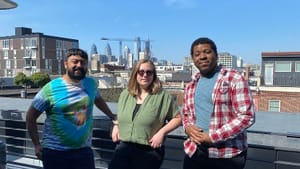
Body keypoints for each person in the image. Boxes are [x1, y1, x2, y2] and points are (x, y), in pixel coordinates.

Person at [26, 48, 116, 169]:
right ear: (65, 64)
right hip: (55, 153)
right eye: (75, 61)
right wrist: (36, 145)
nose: (79, 65)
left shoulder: (91, 84)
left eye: (83, 62)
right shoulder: (50, 88)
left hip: (83, 151)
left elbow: (98, 99)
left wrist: (112, 116)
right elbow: (30, 117)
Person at [182, 37, 255, 169]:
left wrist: (212, 137)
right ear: (193, 59)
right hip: (195, 151)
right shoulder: (191, 85)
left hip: (226, 156)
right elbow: (186, 114)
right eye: (197, 54)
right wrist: (187, 128)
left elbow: (246, 116)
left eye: (207, 52)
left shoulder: (234, 78)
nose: (202, 57)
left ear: (216, 55)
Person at [108, 59, 182, 169]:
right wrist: (116, 125)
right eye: (141, 72)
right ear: (135, 74)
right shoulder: (126, 94)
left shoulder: (162, 96)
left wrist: (161, 133)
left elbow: (178, 118)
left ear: (154, 75)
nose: (145, 75)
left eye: (149, 72)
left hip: (148, 150)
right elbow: (121, 114)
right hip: (124, 146)